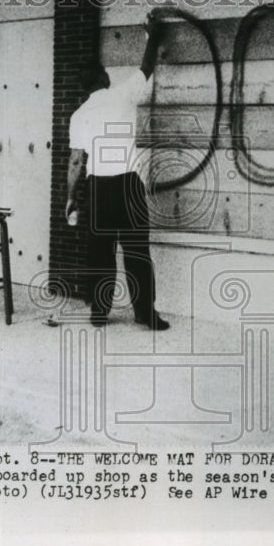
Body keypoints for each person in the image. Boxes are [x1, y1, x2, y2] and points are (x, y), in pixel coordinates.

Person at [66, 17, 170, 330]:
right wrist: (153, 36)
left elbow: (75, 162)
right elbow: (147, 67)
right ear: (106, 77)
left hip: (98, 189)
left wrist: (70, 198)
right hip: (128, 185)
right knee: (137, 253)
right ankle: (145, 314)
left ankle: (99, 311)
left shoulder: (80, 115)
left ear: (84, 87)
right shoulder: (123, 95)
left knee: (99, 252)